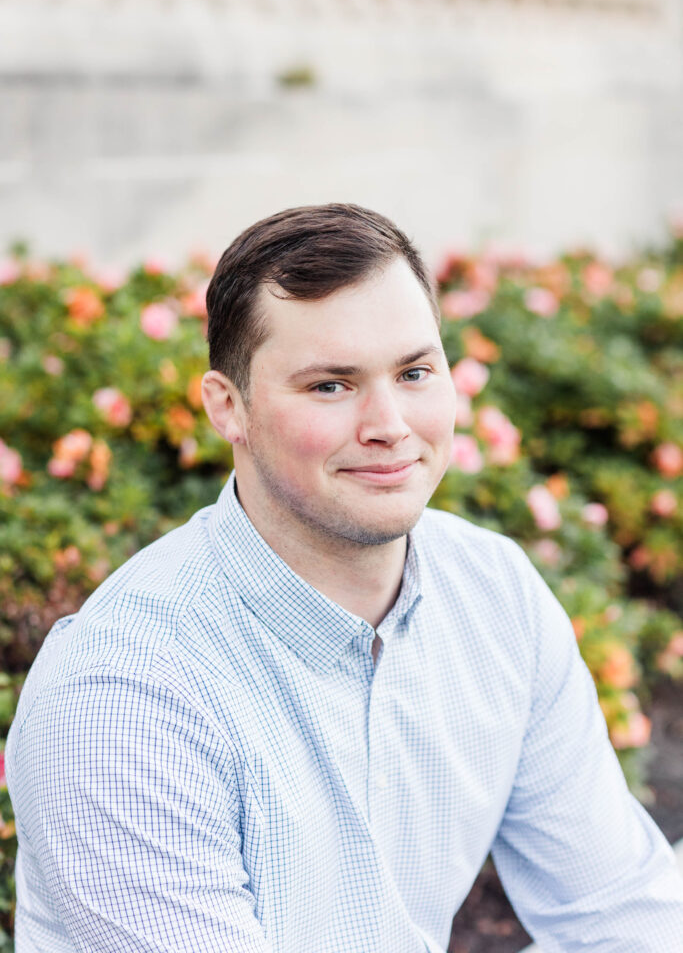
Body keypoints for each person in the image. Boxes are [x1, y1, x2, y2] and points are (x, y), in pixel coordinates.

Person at [6, 203, 683, 953]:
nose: (389, 423)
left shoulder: (495, 593)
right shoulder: (122, 694)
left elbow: (617, 910)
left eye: (415, 372)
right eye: (331, 385)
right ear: (228, 408)